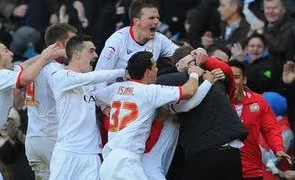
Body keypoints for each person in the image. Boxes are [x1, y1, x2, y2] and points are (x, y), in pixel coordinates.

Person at [95, 51, 203, 180]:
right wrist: (195, 74)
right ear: (148, 72)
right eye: (155, 66)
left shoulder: (116, 88)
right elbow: (189, 91)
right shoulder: (150, 92)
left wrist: (105, 107)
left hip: (108, 162)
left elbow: (94, 97)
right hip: (126, 161)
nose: (157, 69)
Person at [0, 39, 64, 179]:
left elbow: (24, 66)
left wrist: (48, 53)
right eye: (5, 50)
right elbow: (26, 77)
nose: (11, 53)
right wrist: (46, 57)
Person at [156, 48, 248, 180]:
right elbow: (228, 73)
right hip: (232, 154)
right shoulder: (218, 79)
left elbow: (185, 105)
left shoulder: (173, 80)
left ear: (177, 65)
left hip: (205, 154)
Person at [49, 35, 127, 180]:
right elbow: (89, 78)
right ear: (76, 55)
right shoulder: (60, 76)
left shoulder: (89, 82)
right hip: (68, 151)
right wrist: (123, 72)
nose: (96, 56)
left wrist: (104, 106)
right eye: (91, 51)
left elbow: (100, 95)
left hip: (92, 153)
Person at [24, 23, 77, 180]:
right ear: (59, 45)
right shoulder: (56, 70)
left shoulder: (33, 66)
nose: (77, 46)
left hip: (33, 139)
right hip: (52, 139)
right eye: (73, 42)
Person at [228, 59, 291, 179]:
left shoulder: (259, 101)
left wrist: (278, 148)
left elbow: (270, 128)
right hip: (224, 170)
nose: (232, 82)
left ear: (244, 79)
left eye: (236, 77)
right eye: (229, 78)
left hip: (252, 169)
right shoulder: (217, 102)